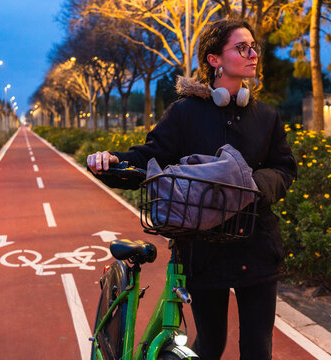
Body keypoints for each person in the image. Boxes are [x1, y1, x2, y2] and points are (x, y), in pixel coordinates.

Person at [87, 19, 297, 360]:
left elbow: (285, 167)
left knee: (259, 351)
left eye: (253, 46)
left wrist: (253, 186)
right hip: (203, 250)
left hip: (256, 246)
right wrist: (110, 161)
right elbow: (149, 157)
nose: (253, 54)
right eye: (241, 48)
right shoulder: (185, 113)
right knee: (209, 345)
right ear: (214, 60)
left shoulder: (267, 117)